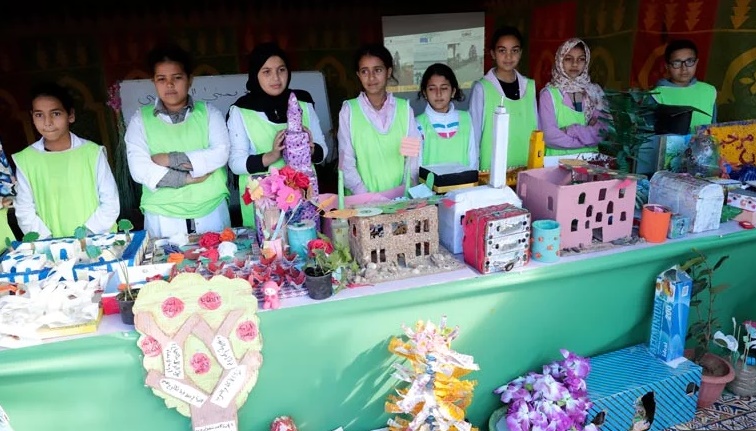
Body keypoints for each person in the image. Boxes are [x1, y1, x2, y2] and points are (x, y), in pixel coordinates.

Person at [125, 43, 230, 239]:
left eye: (177, 77)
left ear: (190, 80)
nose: (170, 85)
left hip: (211, 210)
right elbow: (139, 168)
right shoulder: (140, 119)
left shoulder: (209, 113)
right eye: (161, 79)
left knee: (220, 266)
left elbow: (220, 154)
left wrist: (167, 159)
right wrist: (187, 178)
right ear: (154, 82)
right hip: (162, 214)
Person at [227, 42, 327, 227]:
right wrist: (271, 156)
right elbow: (235, 164)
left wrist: (311, 150)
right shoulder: (241, 110)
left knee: (304, 247)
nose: (276, 78)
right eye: (266, 72)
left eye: (281, 70)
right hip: (264, 205)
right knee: (271, 250)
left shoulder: (302, 103)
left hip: (302, 199)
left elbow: (323, 152)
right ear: (255, 74)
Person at [13, 82, 119, 239]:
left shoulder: (92, 153)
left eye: (55, 114)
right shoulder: (26, 160)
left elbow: (110, 201)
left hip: (98, 241)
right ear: (32, 117)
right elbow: (24, 210)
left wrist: (85, 236)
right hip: (51, 249)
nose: (47, 122)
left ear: (70, 115)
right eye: (39, 115)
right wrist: (51, 243)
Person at [338, 43, 421, 195]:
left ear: (388, 72)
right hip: (361, 204)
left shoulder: (404, 110)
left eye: (378, 70)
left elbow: (412, 159)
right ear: (358, 75)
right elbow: (346, 161)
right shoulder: (349, 111)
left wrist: (403, 192)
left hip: (400, 201)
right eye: (364, 71)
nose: (371, 77)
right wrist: (365, 196)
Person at [469, 26, 538, 172]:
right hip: (491, 168)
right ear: (493, 54)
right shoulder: (482, 88)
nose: (509, 56)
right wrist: (473, 169)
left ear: (521, 53)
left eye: (514, 50)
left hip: (527, 166)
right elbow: (474, 134)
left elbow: (537, 127)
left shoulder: (530, 86)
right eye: (502, 50)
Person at [538, 38, 606, 156]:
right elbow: (549, 137)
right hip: (556, 164)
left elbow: (602, 132)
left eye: (581, 59)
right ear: (560, 60)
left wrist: (572, 130)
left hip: (589, 162)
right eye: (569, 59)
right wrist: (587, 139)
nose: (575, 64)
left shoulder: (594, 92)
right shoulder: (548, 94)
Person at [416, 63, 477, 169]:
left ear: (453, 91)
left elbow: (473, 160)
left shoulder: (466, 119)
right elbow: (415, 166)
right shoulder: (417, 124)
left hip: (464, 184)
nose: (438, 94)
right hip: (429, 185)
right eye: (432, 89)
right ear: (424, 93)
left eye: (444, 88)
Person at [653, 39, 717, 132]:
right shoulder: (656, 94)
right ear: (667, 66)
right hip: (670, 146)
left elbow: (714, 127)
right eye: (677, 63)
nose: (684, 68)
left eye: (689, 61)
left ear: (696, 63)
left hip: (703, 146)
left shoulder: (709, 91)